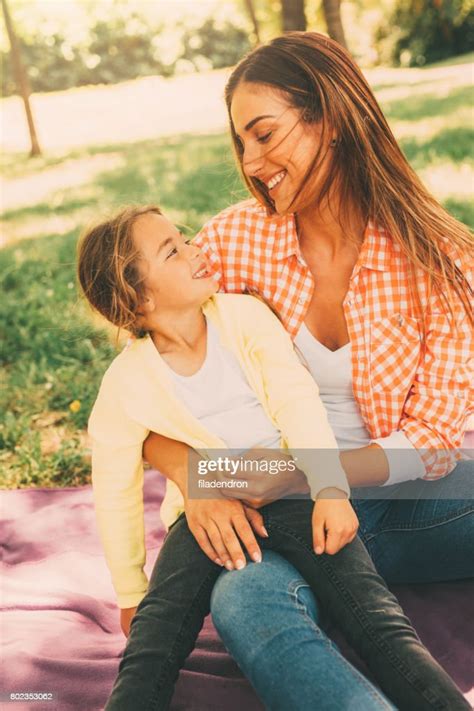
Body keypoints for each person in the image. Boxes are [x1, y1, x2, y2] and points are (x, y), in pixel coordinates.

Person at [141, 31, 474, 709]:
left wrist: (315, 472)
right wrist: (197, 477)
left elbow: (437, 438)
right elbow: (137, 389)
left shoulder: (438, 256)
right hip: (280, 512)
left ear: (328, 116)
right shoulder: (235, 242)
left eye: (265, 134)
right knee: (241, 598)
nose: (253, 162)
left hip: (401, 496)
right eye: (242, 143)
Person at [78, 206, 468, 711]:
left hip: (297, 496)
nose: (197, 250)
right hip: (213, 518)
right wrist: (130, 591)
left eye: (186, 238)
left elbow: (295, 399)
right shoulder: (125, 384)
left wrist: (328, 488)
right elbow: (113, 489)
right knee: (152, 638)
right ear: (138, 297)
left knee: (376, 618)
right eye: (173, 250)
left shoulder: (242, 318)